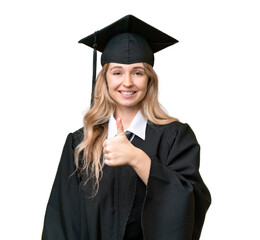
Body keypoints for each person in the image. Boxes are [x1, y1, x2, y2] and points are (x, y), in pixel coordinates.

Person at [42, 15, 211, 240]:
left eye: (138, 72)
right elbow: (60, 222)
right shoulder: (80, 143)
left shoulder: (175, 137)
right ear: (105, 79)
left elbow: (191, 203)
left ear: (149, 80)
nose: (128, 82)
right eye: (118, 72)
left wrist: (137, 159)